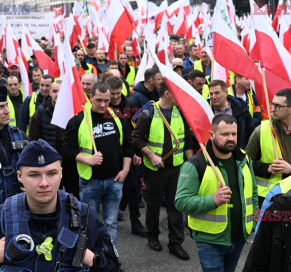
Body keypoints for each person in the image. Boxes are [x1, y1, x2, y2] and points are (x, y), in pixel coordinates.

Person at [0, 139, 121, 272]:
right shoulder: (0, 216)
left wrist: (94, 261)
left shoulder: (85, 216)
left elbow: (115, 267)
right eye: (34, 175)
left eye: (52, 173)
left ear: (61, 173)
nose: (44, 183)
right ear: (20, 177)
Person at [175, 114, 258, 272]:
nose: (231, 138)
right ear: (211, 135)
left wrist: (252, 222)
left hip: (239, 238)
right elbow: (181, 202)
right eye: (225, 134)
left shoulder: (244, 159)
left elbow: (253, 193)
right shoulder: (195, 164)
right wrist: (213, 200)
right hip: (210, 242)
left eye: (233, 134)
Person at [63, 82, 133, 245]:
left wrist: (125, 170)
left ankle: (111, 260)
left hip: (114, 181)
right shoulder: (79, 119)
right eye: (99, 100)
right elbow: (66, 150)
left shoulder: (117, 117)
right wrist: (87, 159)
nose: (103, 105)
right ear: (90, 97)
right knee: (89, 224)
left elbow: (128, 145)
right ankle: (92, 260)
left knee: (111, 224)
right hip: (90, 182)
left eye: (107, 101)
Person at [132, 82, 194, 260]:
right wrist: (151, 156)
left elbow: (187, 140)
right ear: (167, 94)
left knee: (176, 206)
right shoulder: (149, 112)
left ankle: (176, 244)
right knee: (153, 206)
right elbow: (136, 138)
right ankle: (153, 236)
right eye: (176, 93)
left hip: (177, 169)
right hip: (155, 170)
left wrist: (190, 164)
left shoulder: (180, 112)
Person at [245, 88, 291, 204]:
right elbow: (245, 163)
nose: (272, 109)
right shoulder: (261, 130)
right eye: (272, 104)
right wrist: (267, 168)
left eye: (277, 106)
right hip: (268, 198)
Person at [106, 76, 148, 237]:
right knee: (111, 188)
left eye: (118, 93)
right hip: (109, 154)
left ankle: (135, 222)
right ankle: (110, 219)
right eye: (113, 94)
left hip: (128, 154)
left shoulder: (129, 105)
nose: (115, 97)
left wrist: (136, 152)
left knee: (132, 188)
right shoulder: (103, 106)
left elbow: (135, 131)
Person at [209, 80, 254, 148]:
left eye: (217, 93)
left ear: (226, 92)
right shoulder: (207, 109)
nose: (213, 97)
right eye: (211, 94)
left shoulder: (241, 107)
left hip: (238, 151)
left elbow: (250, 130)